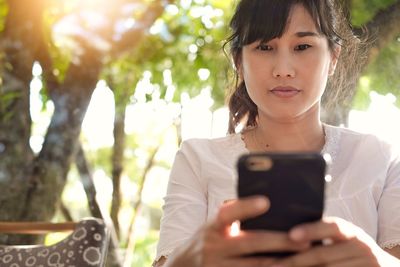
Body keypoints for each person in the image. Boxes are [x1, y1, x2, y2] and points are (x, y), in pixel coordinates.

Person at [153, 0, 400, 266]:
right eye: (264, 47)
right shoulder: (197, 159)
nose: (283, 70)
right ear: (239, 61)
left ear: (333, 58)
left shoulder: (380, 159)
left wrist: (379, 261)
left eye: (302, 46)